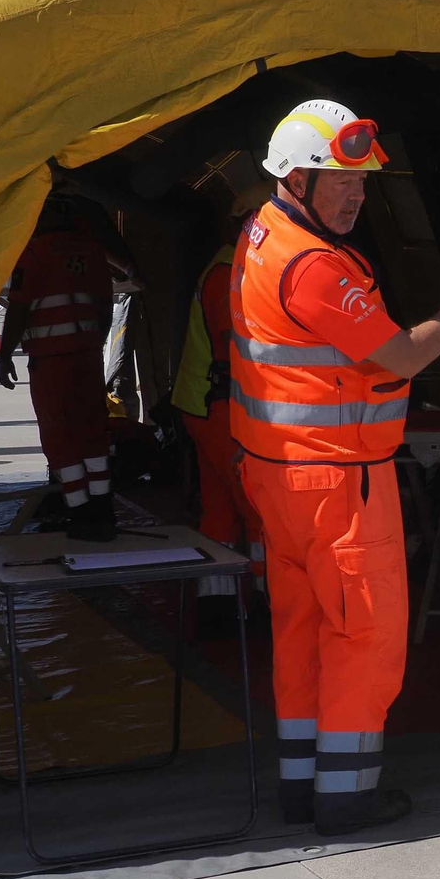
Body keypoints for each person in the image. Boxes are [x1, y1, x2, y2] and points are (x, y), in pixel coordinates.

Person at [233, 100, 440, 836]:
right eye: (340, 180)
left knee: (299, 634)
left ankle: (302, 787)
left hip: (281, 476)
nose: (357, 195)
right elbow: (403, 355)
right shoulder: (314, 267)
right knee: (363, 637)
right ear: (297, 177)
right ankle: (348, 799)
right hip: (338, 484)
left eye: (362, 181)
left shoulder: (262, 235)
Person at [171, 188, 269, 636]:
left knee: (221, 509)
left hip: (206, 406)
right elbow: (233, 352)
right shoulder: (231, 273)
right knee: (260, 510)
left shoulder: (231, 268)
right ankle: (272, 606)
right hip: (223, 408)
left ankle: (217, 609)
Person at [0, 199, 118, 542]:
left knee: (59, 435)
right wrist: (95, 341)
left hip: (51, 360)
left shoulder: (33, 253)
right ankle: (102, 508)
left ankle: (79, 512)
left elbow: (19, 309)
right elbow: (105, 303)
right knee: (93, 429)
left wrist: (5, 355)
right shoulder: (92, 249)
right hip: (87, 354)